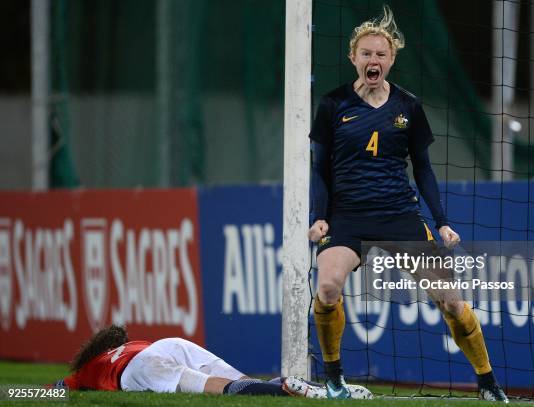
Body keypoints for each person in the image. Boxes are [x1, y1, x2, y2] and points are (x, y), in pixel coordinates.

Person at [308, 5, 508, 403]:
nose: (373, 60)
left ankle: (487, 383)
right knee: (327, 285)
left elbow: (425, 170)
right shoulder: (332, 105)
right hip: (347, 217)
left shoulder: (408, 107)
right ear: (352, 57)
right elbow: (319, 169)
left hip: (400, 215)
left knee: (451, 303)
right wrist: (319, 218)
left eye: (380, 54)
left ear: (392, 59)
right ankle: (334, 380)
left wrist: (442, 221)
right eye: (366, 53)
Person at [53, 324, 338, 398]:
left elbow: (50, 391)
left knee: (216, 388)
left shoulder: (84, 372)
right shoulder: (129, 344)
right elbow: (154, 352)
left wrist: (12, 393)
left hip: (139, 369)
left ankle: (285, 388)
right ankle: (324, 390)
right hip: (168, 344)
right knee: (244, 384)